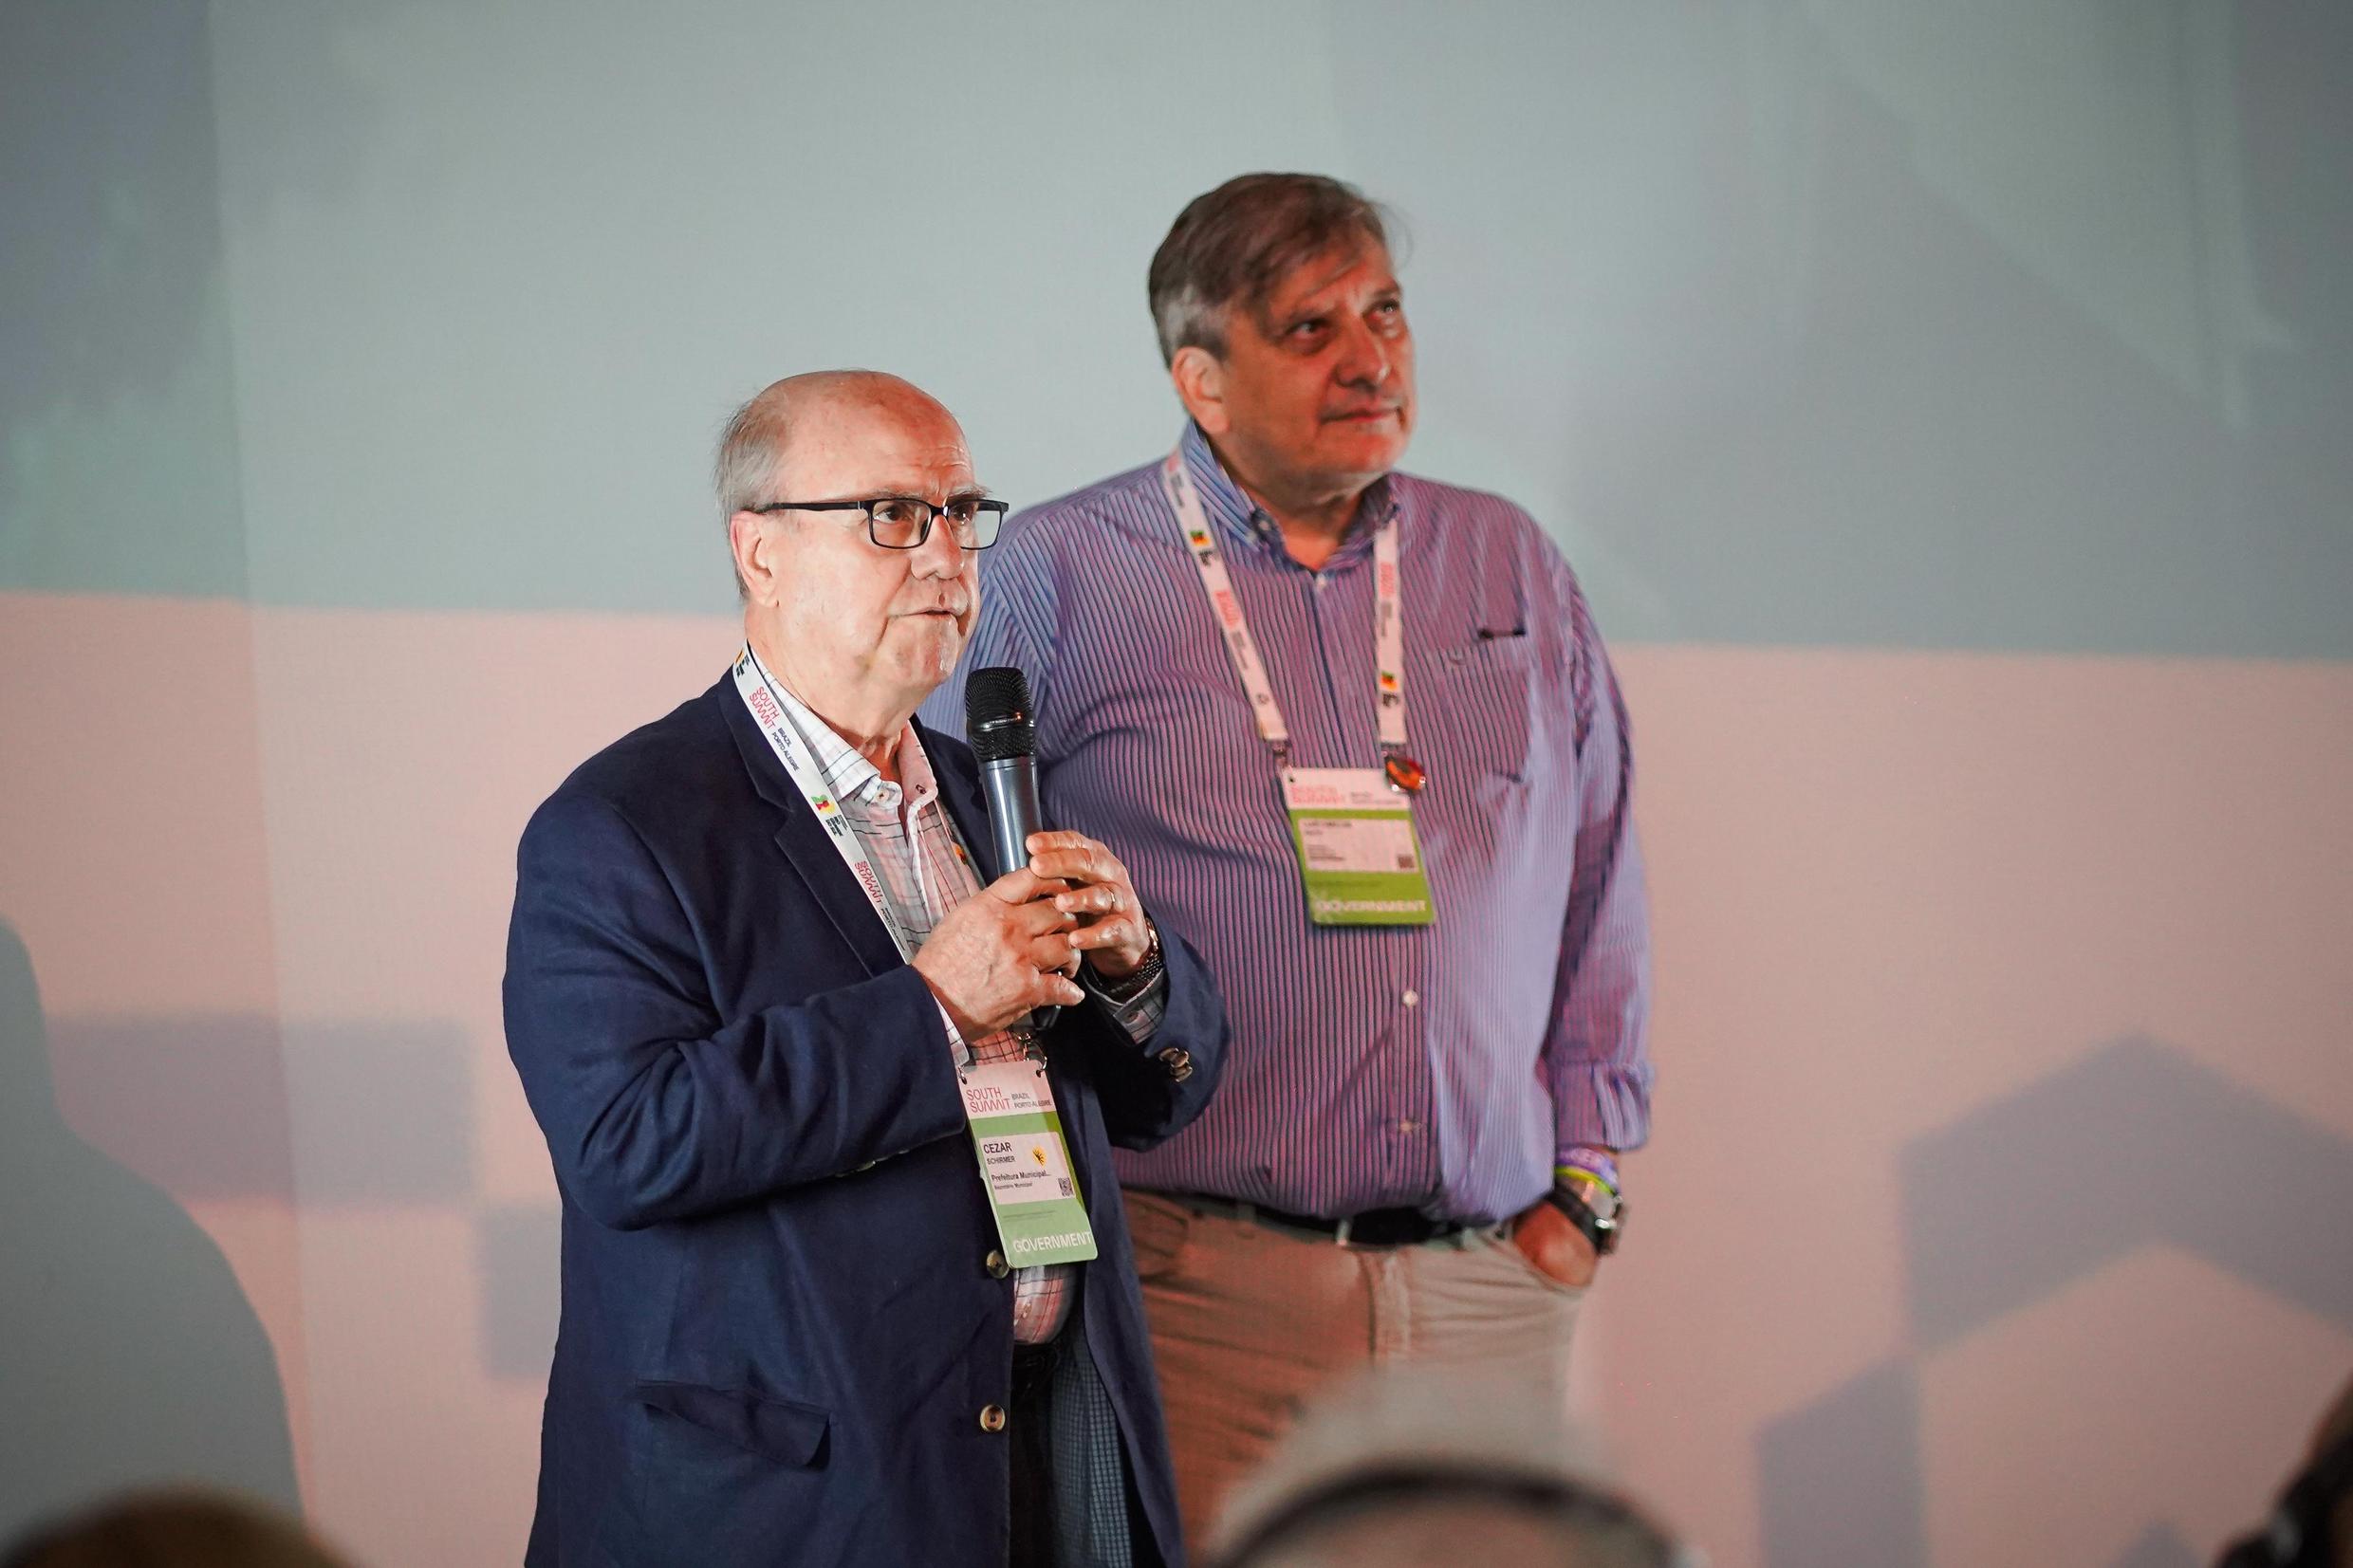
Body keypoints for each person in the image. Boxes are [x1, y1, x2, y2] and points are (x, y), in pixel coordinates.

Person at [924, 173, 1653, 1540]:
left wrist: (1586, 1192)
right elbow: (949, 885)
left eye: (1386, 313)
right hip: (1199, 1287)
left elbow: (1599, 873)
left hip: (1489, 1285)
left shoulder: (1506, 562)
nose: (1370, 359)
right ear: (1202, 380)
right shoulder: (1058, 574)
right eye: (1312, 329)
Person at [503, 371, 1228, 1567]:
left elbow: (1156, 1102)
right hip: (802, 1489)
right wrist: (935, 1008)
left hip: (1048, 1438)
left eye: (962, 514)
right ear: (760, 554)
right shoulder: (623, 826)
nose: (945, 556)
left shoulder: (991, 792)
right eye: (892, 516)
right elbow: (627, 1144)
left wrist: (1136, 969)